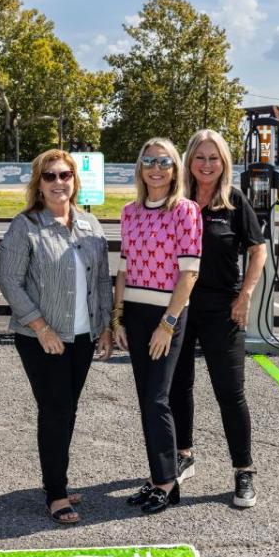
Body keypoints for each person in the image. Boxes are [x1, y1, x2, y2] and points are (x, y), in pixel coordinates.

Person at [0, 149, 114, 525]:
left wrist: (106, 326)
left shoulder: (91, 226)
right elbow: (10, 282)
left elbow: (101, 281)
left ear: (75, 181)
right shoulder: (25, 226)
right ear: (39, 183)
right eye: (50, 176)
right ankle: (56, 492)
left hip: (82, 335)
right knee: (55, 411)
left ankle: (56, 479)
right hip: (41, 337)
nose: (58, 182)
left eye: (65, 175)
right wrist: (41, 328)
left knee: (68, 410)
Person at [169, 130, 266, 507]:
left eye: (214, 158)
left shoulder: (234, 201)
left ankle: (243, 470)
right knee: (178, 385)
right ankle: (184, 454)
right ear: (188, 160)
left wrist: (245, 296)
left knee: (230, 392)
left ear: (224, 161)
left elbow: (258, 250)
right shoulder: (176, 203)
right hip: (180, 305)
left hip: (222, 308)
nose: (207, 164)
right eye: (200, 157)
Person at [112, 137, 202, 514]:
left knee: (157, 398)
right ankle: (156, 476)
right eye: (149, 161)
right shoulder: (130, 211)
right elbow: (123, 268)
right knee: (145, 400)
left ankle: (167, 480)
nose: (156, 168)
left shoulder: (185, 211)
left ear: (175, 169)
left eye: (164, 162)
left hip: (167, 316)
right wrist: (117, 317)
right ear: (140, 167)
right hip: (134, 313)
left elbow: (189, 274)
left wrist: (168, 323)